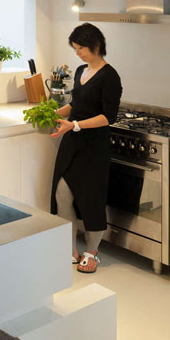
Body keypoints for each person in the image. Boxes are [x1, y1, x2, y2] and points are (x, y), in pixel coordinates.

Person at [50, 23, 122, 274]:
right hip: (73, 142)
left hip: (94, 146)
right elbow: (75, 103)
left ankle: (92, 251)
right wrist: (51, 113)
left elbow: (108, 117)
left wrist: (75, 125)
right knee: (62, 195)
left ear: (96, 46)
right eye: (75, 49)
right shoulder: (81, 70)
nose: (78, 53)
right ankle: (69, 248)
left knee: (92, 199)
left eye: (81, 48)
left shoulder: (110, 76)